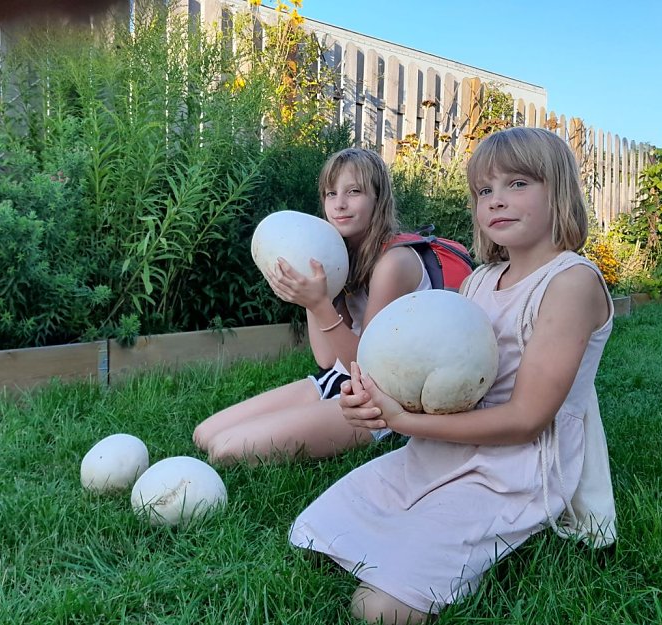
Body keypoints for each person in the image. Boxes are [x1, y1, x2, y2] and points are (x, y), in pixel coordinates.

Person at [289, 127, 617, 625]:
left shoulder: (570, 282)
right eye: (485, 191)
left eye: (518, 184)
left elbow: (526, 420)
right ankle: (434, 536)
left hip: (515, 469)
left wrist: (405, 423)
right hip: (444, 447)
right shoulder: (482, 280)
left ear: (560, 192)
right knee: (313, 534)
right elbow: (437, 369)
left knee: (378, 609)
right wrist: (375, 398)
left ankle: (490, 545)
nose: (497, 201)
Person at [193, 147, 435, 464]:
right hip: (341, 379)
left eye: (354, 191)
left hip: (382, 398)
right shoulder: (340, 254)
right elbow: (326, 358)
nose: (340, 204)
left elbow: (367, 367)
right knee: (204, 435)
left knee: (226, 450)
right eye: (330, 193)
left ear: (379, 199)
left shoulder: (394, 263)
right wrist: (311, 295)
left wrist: (319, 303)